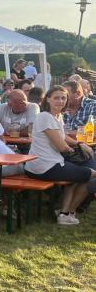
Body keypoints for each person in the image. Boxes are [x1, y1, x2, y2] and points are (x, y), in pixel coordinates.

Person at [25, 86, 96, 225]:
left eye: (63, 98)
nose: (60, 101)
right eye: (56, 97)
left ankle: (65, 212)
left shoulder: (57, 116)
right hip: (43, 166)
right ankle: (66, 213)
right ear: (48, 99)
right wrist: (78, 152)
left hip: (49, 164)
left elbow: (63, 137)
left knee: (76, 176)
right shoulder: (45, 116)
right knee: (92, 174)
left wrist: (80, 144)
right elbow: (62, 147)